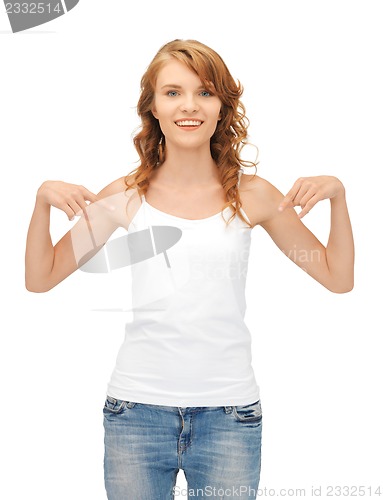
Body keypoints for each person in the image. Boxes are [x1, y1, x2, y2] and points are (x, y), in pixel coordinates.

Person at [25, 39, 354, 499]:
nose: (189, 106)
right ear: (153, 107)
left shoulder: (254, 195)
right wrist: (41, 201)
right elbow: (41, 278)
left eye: (205, 93)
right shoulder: (125, 195)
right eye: (173, 92)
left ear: (222, 107)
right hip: (136, 414)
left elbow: (337, 277)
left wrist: (338, 197)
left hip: (230, 418)